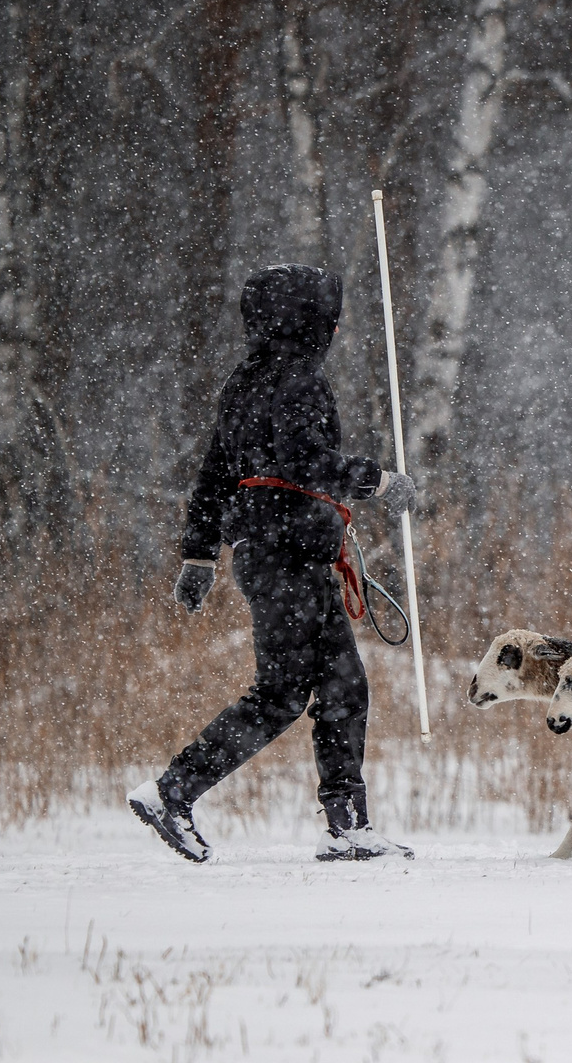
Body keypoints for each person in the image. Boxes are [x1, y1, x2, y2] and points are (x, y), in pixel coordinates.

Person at [128, 264, 419, 863]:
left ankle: (348, 827)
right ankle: (171, 792)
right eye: (328, 317)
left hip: (281, 557)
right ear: (311, 321)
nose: (334, 328)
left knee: (343, 686)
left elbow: (213, 477)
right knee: (284, 693)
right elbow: (306, 461)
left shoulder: (244, 382)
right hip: (288, 555)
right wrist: (380, 481)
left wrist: (199, 555)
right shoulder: (300, 382)